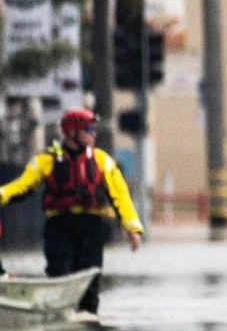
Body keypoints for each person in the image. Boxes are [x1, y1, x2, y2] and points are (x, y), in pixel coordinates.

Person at [0, 108, 143, 313]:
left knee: (90, 282)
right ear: (72, 132)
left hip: (91, 227)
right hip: (59, 227)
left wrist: (132, 228)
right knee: (59, 273)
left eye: (93, 129)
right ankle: (58, 316)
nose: (94, 133)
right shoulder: (47, 159)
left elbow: (120, 195)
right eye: (89, 129)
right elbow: (22, 186)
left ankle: (88, 322)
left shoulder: (102, 160)